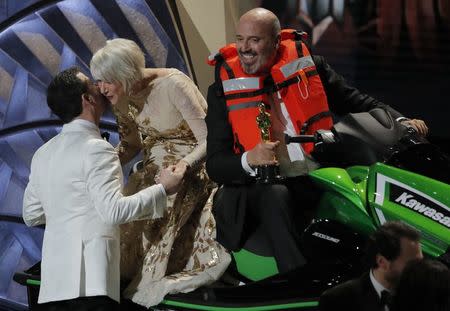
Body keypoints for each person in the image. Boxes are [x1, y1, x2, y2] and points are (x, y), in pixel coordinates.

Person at [205, 7, 429, 273]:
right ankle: (296, 279)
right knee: (275, 195)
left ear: (276, 42)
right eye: (240, 39)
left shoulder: (309, 65)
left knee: (361, 183)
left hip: (315, 171)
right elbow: (216, 164)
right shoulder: (222, 88)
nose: (245, 48)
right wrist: (249, 159)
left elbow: (356, 101)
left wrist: (401, 122)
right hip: (259, 186)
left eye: (255, 40)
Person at [22, 67, 183, 310]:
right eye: (92, 84)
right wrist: (163, 189)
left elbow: (31, 214)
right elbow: (113, 212)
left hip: (51, 285)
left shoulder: (42, 153)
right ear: (87, 99)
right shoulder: (97, 149)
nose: (100, 86)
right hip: (90, 284)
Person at [90, 39, 230, 307]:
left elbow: (209, 138)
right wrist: (100, 165)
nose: (101, 88)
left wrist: (184, 166)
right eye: (98, 81)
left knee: (164, 204)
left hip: (190, 168)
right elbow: (131, 144)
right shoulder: (121, 97)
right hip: (151, 170)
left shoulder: (174, 84)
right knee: (122, 211)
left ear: (125, 73)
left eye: (106, 80)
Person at [319, 221, 423, 311]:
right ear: (382, 262)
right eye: (412, 263)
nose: (420, 268)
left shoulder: (422, 299)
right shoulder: (338, 300)